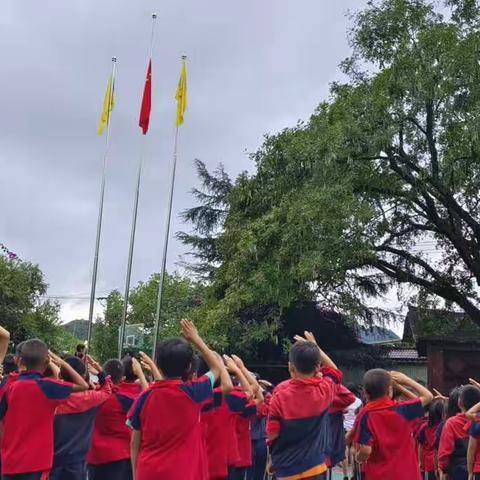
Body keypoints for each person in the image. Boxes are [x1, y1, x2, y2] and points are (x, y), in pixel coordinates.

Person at [128, 319, 222, 480]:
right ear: (189, 368)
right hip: (183, 473)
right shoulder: (194, 392)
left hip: (149, 472)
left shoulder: (145, 397)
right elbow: (216, 368)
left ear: (157, 364)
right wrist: (196, 338)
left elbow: (134, 442)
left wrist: (137, 475)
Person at [0, 340, 88, 480]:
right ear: (46, 361)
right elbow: (83, 385)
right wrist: (61, 362)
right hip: (37, 463)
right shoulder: (48, 387)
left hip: (10, 461)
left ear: (20, 360)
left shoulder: (9, 384)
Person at [266, 331, 342, 480]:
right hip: (315, 468)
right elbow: (335, 372)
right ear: (317, 367)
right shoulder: (323, 391)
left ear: (290, 367)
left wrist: (274, 460)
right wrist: (316, 348)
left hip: (286, 469)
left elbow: (272, 434)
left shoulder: (279, 395)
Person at [355, 369, 433, 480]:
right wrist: (406, 380)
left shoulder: (365, 415)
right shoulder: (402, 410)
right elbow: (428, 396)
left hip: (379, 475)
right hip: (407, 474)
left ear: (366, 393)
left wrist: (358, 458)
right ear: (390, 391)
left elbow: (365, 450)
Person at [51, 356, 114, 480]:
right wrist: (101, 372)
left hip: (53, 460)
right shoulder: (90, 398)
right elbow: (108, 390)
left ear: (60, 374)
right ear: (83, 375)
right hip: (78, 462)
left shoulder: (53, 397)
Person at [87, 356, 147, 480]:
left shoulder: (95, 394)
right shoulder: (124, 399)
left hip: (94, 456)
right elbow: (148, 400)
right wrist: (141, 375)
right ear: (121, 379)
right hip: (118, 457)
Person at [439, 385, 480, 480]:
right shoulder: (477, 419)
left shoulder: (451, 423)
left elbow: (445, 452)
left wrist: (444, 470)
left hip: (457, 471)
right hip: (475, 470)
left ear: (460, 403)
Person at [418, 399, 445, 480]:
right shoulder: (444, 426)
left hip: (429, 465)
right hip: (441, 464)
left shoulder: (424, 427)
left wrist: (420, 462)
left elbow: (420, 446)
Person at [342, 384, 362, 480]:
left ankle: (345, 475)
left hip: (344, 428)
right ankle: (354, 475)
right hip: (354, 428)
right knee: (353, 451)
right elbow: (360, 414)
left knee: (344, 452)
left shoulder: (343, 400)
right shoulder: (359, 401)